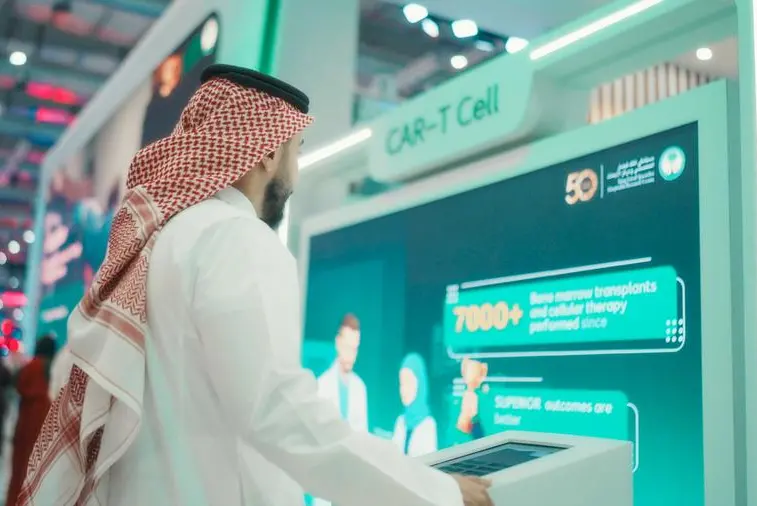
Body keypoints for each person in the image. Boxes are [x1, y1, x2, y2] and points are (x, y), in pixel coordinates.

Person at [17, 65, 492, 506]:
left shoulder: (162, 241)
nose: (296, 174)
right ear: (267, 152)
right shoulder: (236, 237)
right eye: (296, 151)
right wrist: (437, 492)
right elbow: (277, 411)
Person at [6, 336, 56, 506]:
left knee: (20, 469)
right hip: (46, 421)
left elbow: (16, 383)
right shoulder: (54, 368)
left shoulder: (31, 367)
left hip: (26, 422)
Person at [316, 314, 367, 432]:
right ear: (338, 343)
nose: (351, 355)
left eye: (354, 349)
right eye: (347, 347)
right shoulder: (322, 385)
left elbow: (363, 433)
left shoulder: (360, 388)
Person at [393, 353, 438, 457]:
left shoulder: (428, 424)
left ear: (420, 385)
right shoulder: (400, 422)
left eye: (409, 383)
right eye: (402, 384)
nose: (404, 390)